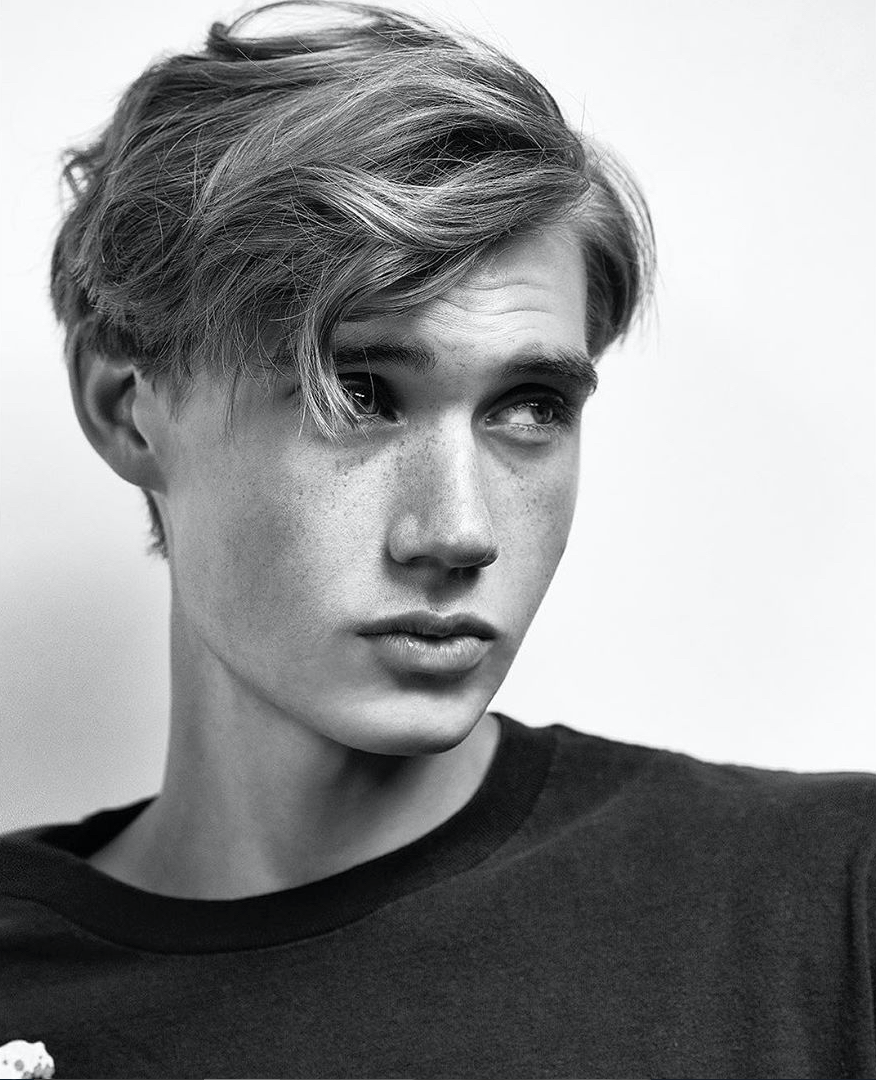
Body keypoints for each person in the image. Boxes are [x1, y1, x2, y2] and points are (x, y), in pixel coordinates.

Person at [1, 2, 873, 1077]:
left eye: (531, 407)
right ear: (128, 409)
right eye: (358, 394)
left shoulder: (828, 904)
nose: (460, 532)